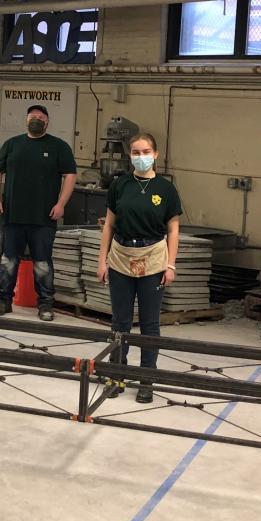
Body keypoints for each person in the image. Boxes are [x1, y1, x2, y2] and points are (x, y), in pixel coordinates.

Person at [97, 132, 181, 403]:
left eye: (146, 152)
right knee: (120, 322)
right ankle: (116, 375)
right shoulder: (120, 185)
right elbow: (109, 225)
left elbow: (174, 229)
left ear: (155, 155)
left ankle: (147, 380)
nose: (141, 157)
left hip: (154, 258)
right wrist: (102, 261)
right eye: (136, 152)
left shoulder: (166, 189)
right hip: (121, 256)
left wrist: (170, 265)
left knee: (149, 324)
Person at [0, 104, 77, 321]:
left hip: (43, 218)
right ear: (26, 120)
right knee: (8, 261)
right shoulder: (12, 145)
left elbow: (70, 175)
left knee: (42, 263)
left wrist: (61, 204)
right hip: (12, 216)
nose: (36, 119)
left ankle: (45, 305)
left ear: (47, 122)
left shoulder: (59, 146)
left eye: (40, 117)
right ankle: (3, 301)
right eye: (32, 116)